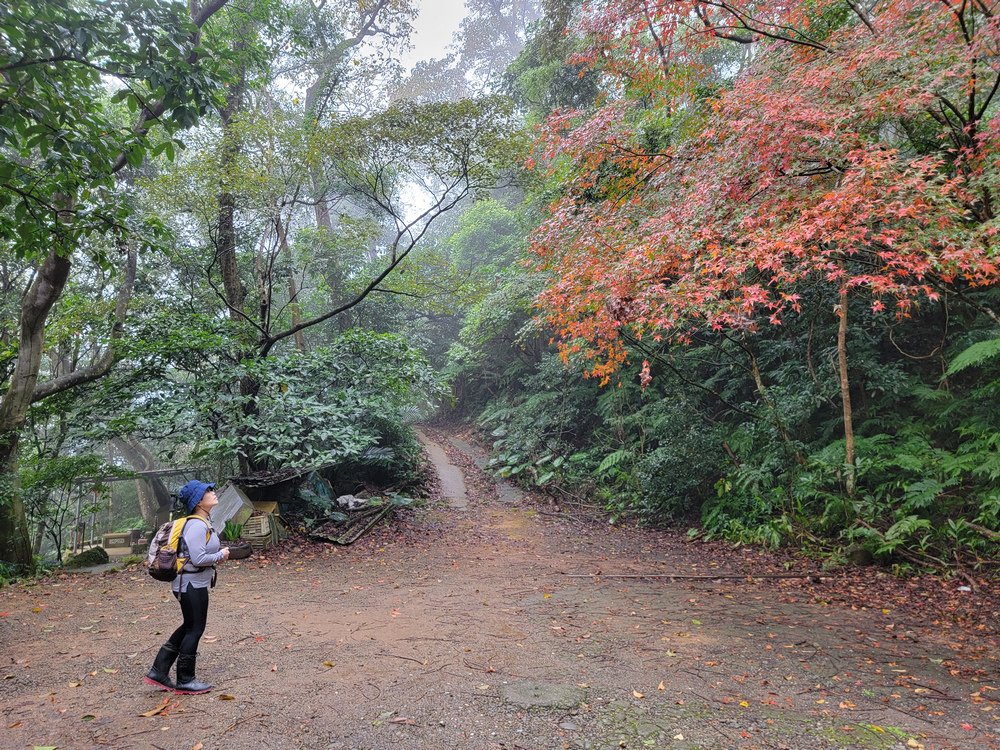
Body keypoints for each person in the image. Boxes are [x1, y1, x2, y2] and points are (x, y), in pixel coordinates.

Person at [144, 480, 230, 694]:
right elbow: (199, 558)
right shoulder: (196, 525)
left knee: (189, 626)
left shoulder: (202, 522)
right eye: (207, 491)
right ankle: (185, 679)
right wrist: (222, 554)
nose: (212, 492)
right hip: (190, 583)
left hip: (192, 582)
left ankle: (159, 670)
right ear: (198, 501)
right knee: (195, 628)